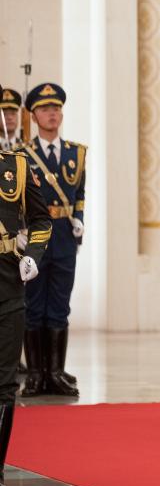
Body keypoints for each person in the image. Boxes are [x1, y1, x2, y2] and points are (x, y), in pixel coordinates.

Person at [0, 83, 52, 486]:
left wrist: (33, 252)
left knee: (3, 381)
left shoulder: (15, 166)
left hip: (5, 279)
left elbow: (42, 218)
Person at [20, 83, 85, 398]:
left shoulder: (76, 153)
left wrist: (80, 221)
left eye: (56, 108)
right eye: (46, 109)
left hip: (63, 238)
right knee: (33, 305)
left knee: (59, 305)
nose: (53, 114)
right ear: (33, 116)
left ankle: (55, 373)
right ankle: (34, 374)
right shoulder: (21, 155)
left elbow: (79, 194)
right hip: (34, 237)